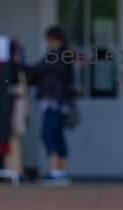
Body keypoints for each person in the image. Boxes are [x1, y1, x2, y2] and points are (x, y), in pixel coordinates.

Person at [28, 25, 77, 186]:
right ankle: (61, 171)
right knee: (57, 135)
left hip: (53, 102)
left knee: (48, 135)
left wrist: (15, 67)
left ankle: (55, 172)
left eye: (48, 39)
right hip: (62, 103)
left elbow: (36, 69)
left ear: (53, 39)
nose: (47, 43)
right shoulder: (66, 56)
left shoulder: (55, 56)